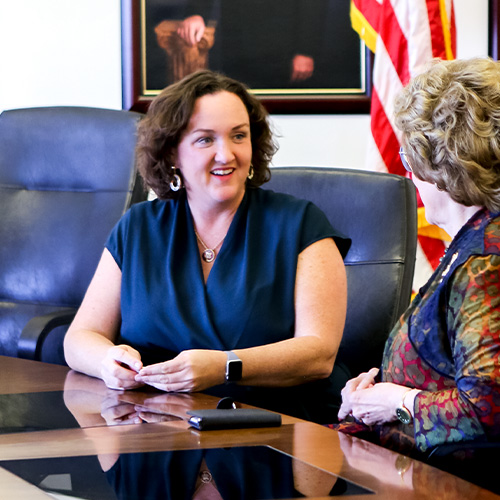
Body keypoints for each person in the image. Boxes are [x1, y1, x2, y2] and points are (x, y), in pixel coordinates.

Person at [64, 69, 350, 423]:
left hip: (275, 432)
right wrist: (107, 362)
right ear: (172, 154)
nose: (226, 154)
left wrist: (224, 366)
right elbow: (80, 337)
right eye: (205, 140)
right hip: (157, 432)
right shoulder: (138, 228)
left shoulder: (301, 224)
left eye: (238, 136)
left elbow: (318, 354)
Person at [335, 57, 500, 456]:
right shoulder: (473, 240)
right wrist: (371, 397)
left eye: (409, 160)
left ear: (440, 164)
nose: (408, 175)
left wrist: (395, 403)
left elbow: (485, 411)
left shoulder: (484, 262)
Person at [176, 0, 326, 89]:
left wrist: (306, 50)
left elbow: (312, 4)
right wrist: (195, 13)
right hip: (234, 46)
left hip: (284, 48)